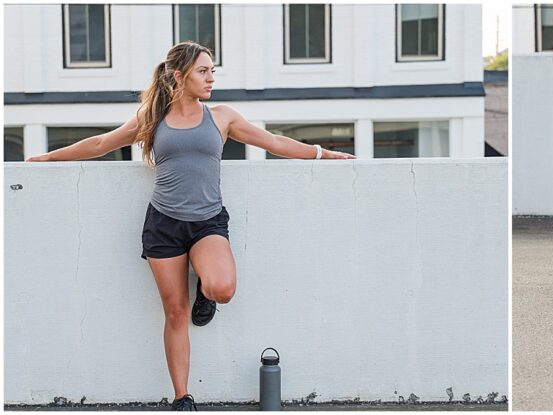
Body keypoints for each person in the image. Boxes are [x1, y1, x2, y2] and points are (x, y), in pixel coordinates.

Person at [27, 41, 356, 410]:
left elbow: (273, 141)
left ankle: (205, 291)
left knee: (222, 288)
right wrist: (50, 157)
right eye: (204, 71)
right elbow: (103, 142)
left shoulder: (222, 117)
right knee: (175, 312)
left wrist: (322, 153)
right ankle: (182, 397)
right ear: (179, 76)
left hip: (207, 222)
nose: (211, 77)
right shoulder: (153, 118)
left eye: (213, 70)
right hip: (163, 225)